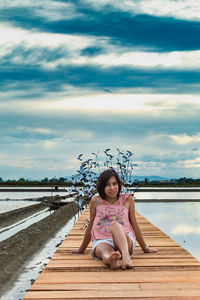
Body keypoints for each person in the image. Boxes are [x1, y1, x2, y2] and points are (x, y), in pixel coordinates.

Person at [72, 169, 157, 269]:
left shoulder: (127, 199)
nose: (112, 188)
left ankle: (125, 256)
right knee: (105, 252)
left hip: (124, 239)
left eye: (114, 184)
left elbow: (134, 224)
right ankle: (111, 260)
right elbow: (90, 226)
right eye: (107, 185)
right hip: (102, 240)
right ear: (102, 187)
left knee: (115, 225)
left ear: (119, 184)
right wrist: (81, 249)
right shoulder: (96, 201)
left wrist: (145, 248)